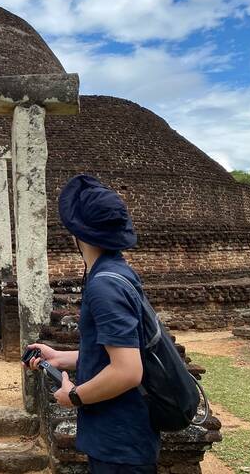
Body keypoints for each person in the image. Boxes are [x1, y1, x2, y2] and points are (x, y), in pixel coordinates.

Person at [25, 174, 160, 473]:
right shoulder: (119, 272)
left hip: (119, 444)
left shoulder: (104, 286)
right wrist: (61, 358)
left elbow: (127, 370)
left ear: (78, 233)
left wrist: (73, 396)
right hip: (124, 436)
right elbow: (122, 351)